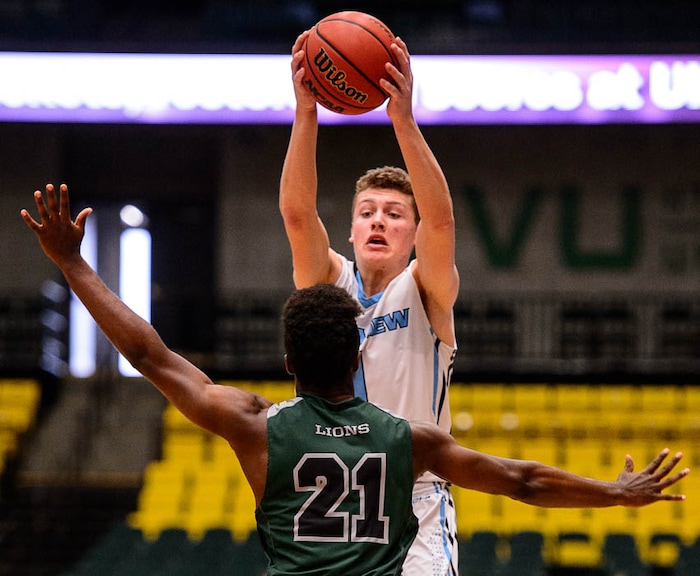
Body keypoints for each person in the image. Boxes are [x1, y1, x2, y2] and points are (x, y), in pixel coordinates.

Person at [23, 184, 689, 576]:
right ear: (357, 359)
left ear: (289, 362)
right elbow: (523, 479)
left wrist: (74, 266)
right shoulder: (409, 440)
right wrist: (617, 491)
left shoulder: (256, 425)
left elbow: (150, 356)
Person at [280, 30, 460, 574]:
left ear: (411, 234)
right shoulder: (326, 282)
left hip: (415, 499)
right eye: (367, 211)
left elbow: (444, 218)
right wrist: (306, 112)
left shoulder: (425, 288)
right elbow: (296, 214)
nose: (379, 219)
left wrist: (403, 120)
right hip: (333, 496)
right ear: (352, 230)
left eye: (394, 212)